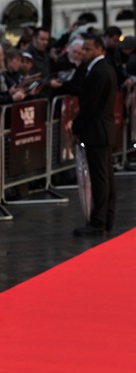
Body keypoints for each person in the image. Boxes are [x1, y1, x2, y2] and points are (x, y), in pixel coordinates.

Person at [72, 34, 117, 236]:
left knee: (100, 179)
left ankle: (98, 221)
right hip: (103, 130)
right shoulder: (105, 69)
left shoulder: (98, 72)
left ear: (99, 49)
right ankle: (106, 218)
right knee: (106, 177)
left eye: (88, 49)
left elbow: (89, 106)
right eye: (83, 48)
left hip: (96, 131)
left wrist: (76, 127)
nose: (84, 52)